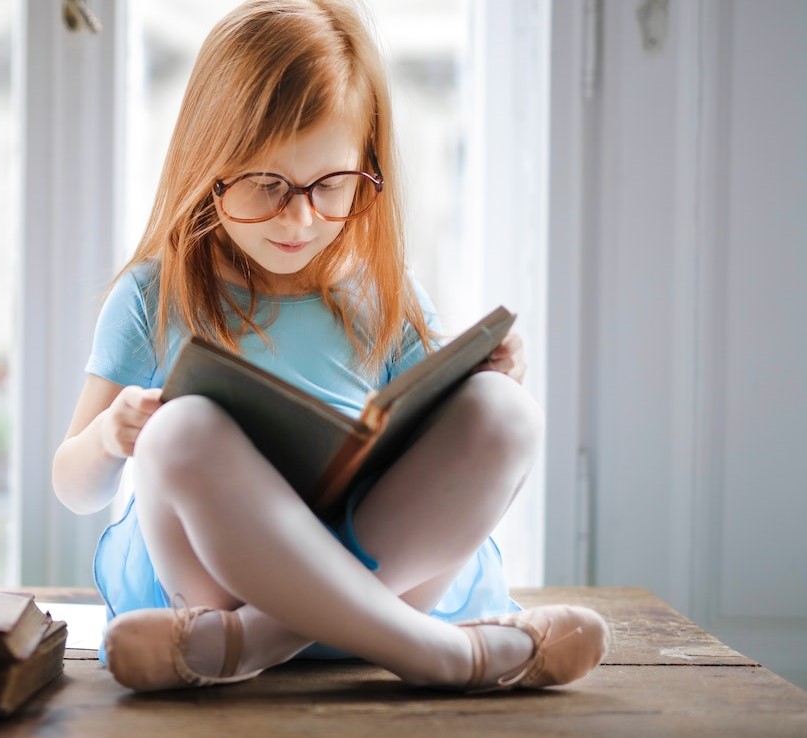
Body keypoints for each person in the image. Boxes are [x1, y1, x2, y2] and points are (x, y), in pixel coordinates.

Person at [52, 0, 608, 693]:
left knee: (505, 411)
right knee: (178, 431)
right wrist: (111, 436)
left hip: (368, 579)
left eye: (330, 185)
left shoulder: (382, 290)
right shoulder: (154, 293)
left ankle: (257, 642)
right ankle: (443, 656)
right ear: (207, 164)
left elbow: (447, 443)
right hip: (214, 584)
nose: (299, 218)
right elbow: (73, 487)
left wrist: (488, 376)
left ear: (365, 168)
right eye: (266, 185)